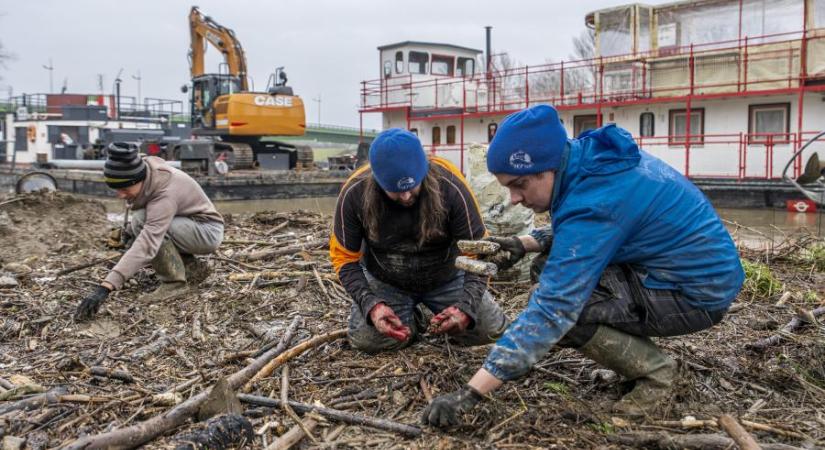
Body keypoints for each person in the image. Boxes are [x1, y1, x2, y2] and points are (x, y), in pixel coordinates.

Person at [421, 105, 744, 426]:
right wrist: (525, 243)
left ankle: (657, 375)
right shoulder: (588, 161)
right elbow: (604, 229)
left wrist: (471, 394)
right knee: (548, 270)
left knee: (568, 313)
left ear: (546, 168)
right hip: (676, 271)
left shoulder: (594, 200)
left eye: (518, 184)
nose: (514, 198)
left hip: (696, 292)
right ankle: (637, 359)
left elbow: (554, 308)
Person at [330, 128, 508, 353]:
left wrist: (466, 306)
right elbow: (344, 259)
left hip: (447, 277)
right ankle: (412, 316)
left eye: (411, 186)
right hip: (386, 280)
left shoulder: (451, 185)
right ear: (377, 180)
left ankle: (433, 308)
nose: (405, 196)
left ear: (424, 170)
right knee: (369, 343)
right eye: (394, 191)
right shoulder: (354, 193)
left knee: (489, 333)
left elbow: (478, 253)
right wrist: (370, 304)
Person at [75, 142, 224, 320]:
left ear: (139, 180)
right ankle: (190, 268)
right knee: (140, 221)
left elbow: (148, 243)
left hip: (206, 231)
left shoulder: (165, 194)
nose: (120, 195)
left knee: (143, 222)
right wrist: (128, 232)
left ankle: (174, 284)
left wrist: (106, 287)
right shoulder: (144, 171)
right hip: (187, 224)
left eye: (125, 189)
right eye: (116, 189)